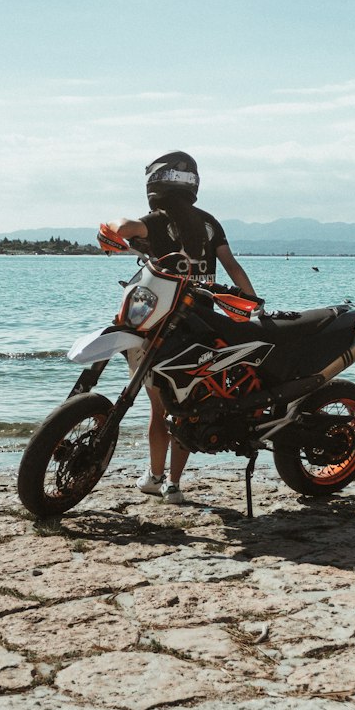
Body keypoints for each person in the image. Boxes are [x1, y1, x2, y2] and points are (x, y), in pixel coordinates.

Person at [104, 151, 257, 504]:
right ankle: (174, 483)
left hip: (162, 327)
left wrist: (109, 226)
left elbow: (124, 229)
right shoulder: (209, 223)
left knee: (160, 408)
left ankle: (155, 477)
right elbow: (231, 266)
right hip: (204, 325)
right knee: (186, 406)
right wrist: (250, 303)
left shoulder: (158, 220)